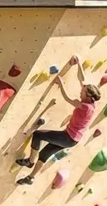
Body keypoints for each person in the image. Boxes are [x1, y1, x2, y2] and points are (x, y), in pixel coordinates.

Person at [16, 57, 101, 185]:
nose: (80, 92)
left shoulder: (83, 106)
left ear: (88, 95)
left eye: (82, 92)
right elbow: (82, 79)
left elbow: (67, 98)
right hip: (73, 140)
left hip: (68, 137)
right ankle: (31, 178)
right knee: (45, 153)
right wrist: (79, 64)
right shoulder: (92, 103)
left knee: (38, 134)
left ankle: (30, 161)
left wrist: (60, 83)